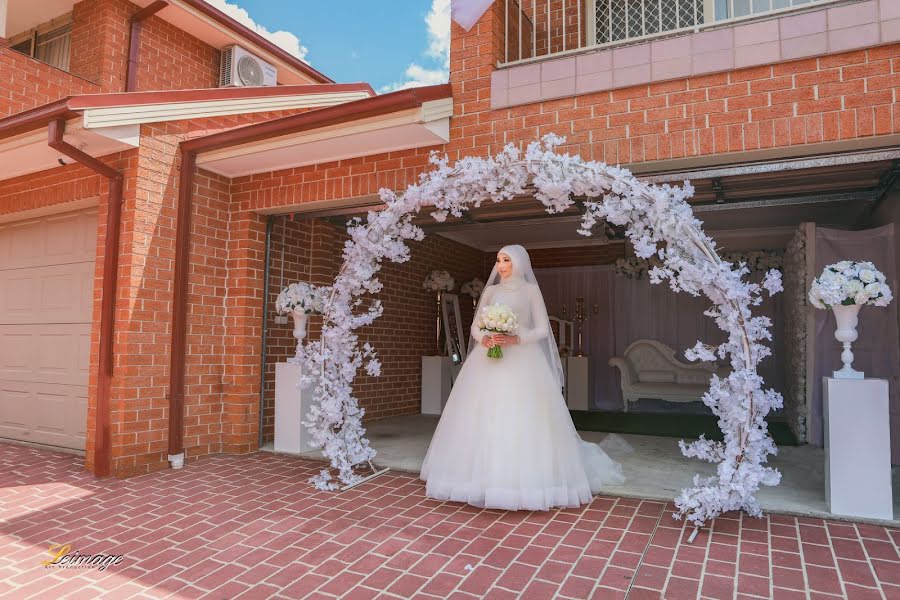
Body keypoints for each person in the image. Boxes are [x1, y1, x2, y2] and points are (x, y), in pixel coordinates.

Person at [420, 244, 625, 511]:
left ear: (519, 263)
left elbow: (542, 330)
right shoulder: (491, 291)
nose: (501, 265)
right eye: (498, 260)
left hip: (523, 361)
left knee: (522, 415)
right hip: (487, 362)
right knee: (481, 414)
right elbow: (474, 326)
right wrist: (486, 338)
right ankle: (477, 479)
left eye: (506, 260)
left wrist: (515, 338)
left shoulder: (530, 291)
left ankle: (523, 480)